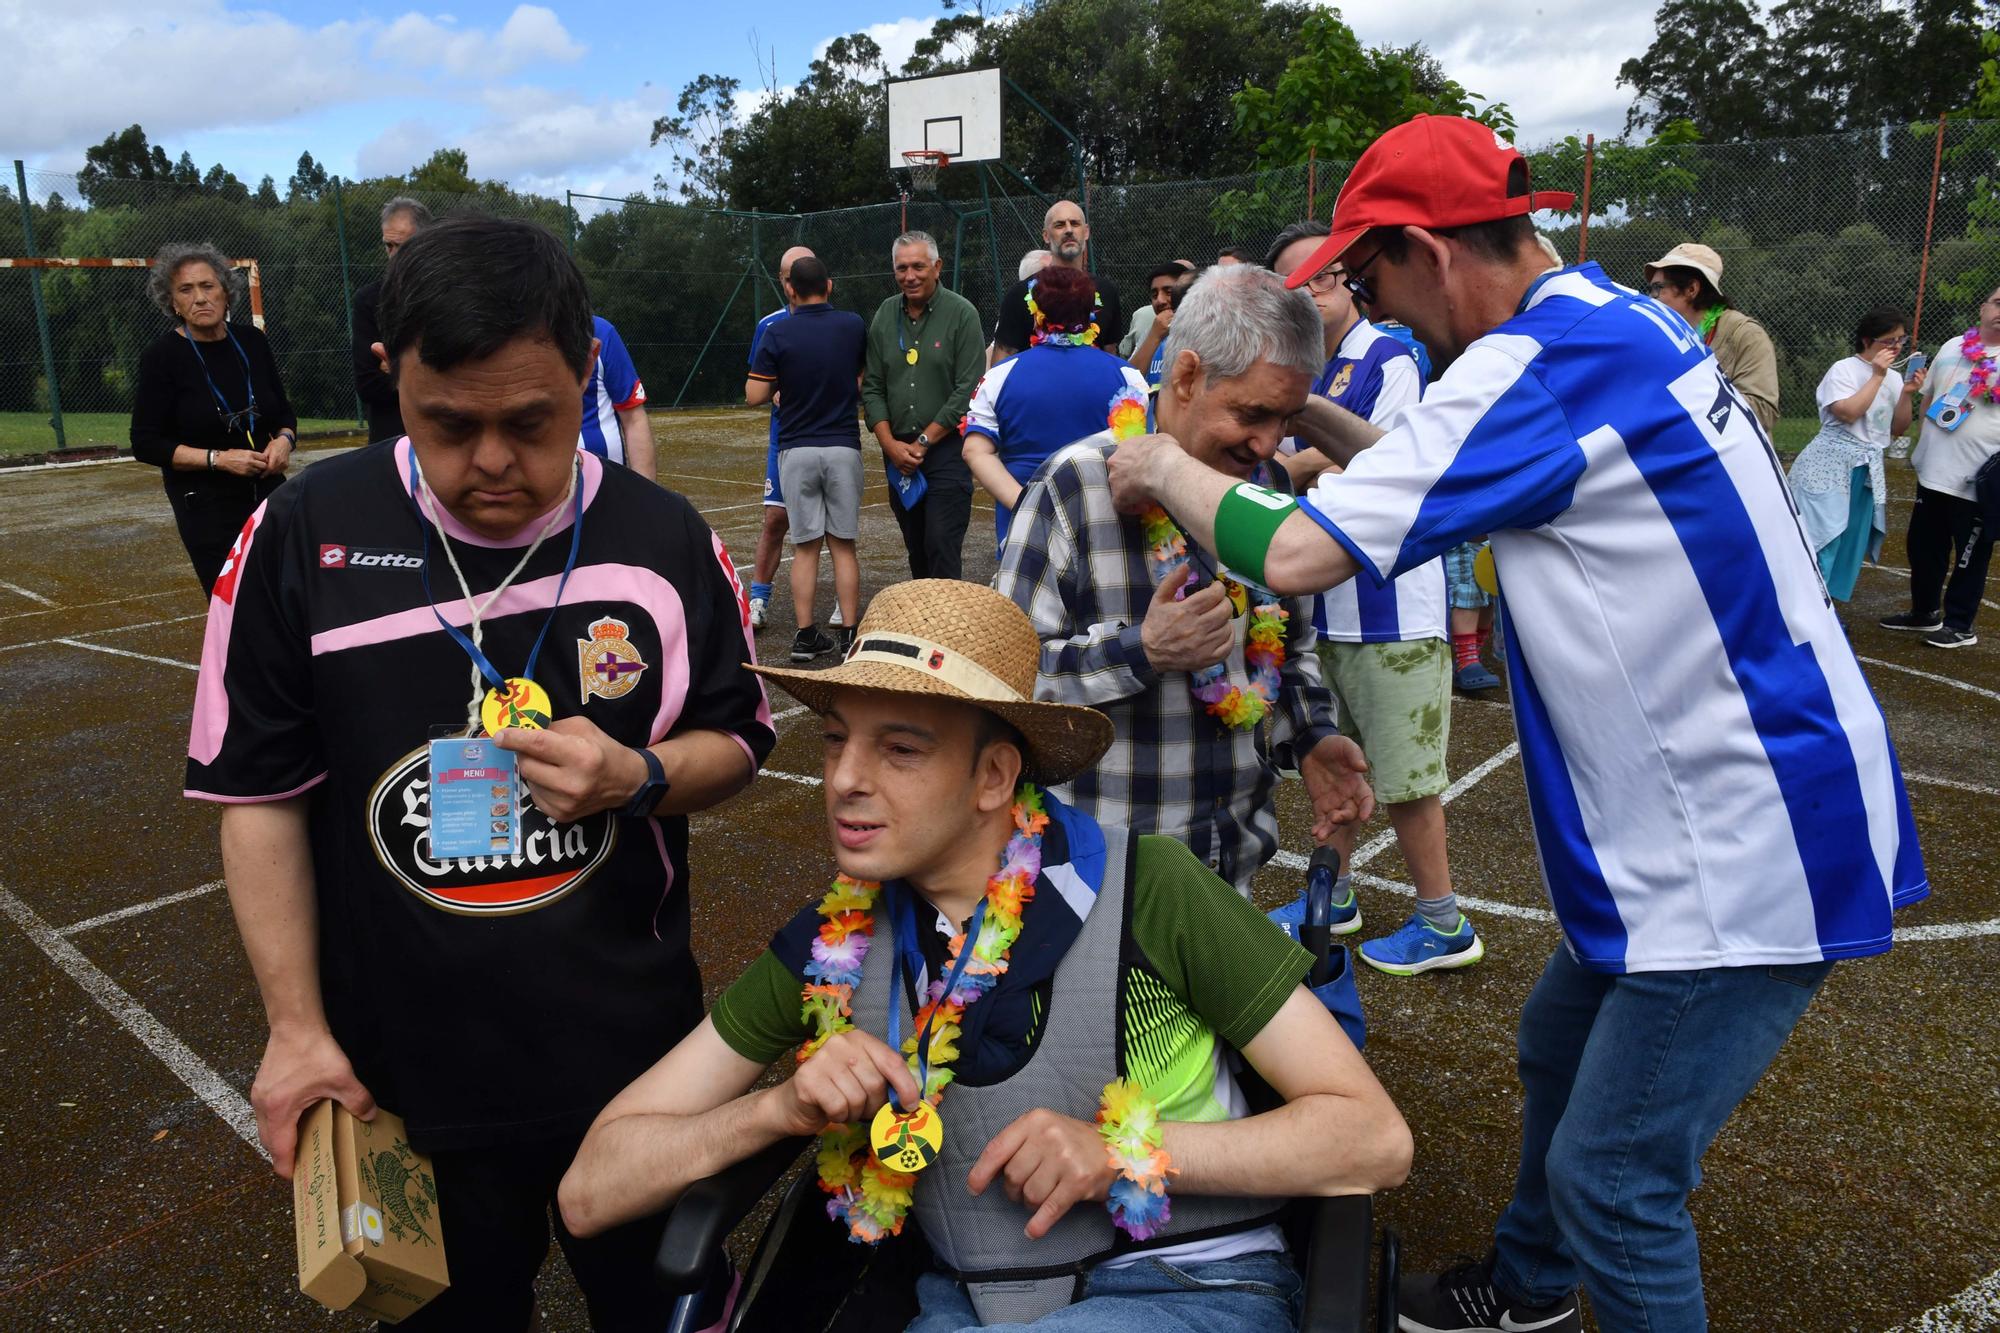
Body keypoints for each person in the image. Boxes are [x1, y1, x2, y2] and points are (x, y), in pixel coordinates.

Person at [1106, 115, 1926, 1333]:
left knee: (1617, 1184)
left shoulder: (1529, 364)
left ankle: (1561, 1264)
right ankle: (1530, 1288)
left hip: (1739, 843)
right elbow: (1460, 471)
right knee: (1552, 1039)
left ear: (1427, 252)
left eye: (1368, 275)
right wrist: (1315, 422)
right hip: (1731, 804)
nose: (1368, 302)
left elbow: (1290, 550)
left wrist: (1161, 471)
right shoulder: (1612, 323)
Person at [190, 215, 775, 1331]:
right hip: (403, 1083)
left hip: (632, 1066)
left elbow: (737, 743)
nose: (493, 461)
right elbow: (258, 797)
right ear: (389, 377)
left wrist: (637, 775)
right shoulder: (298, 534)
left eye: (530, 422)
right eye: (447, 424)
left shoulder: (662, 541)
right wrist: (295, 1029)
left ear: (587, 373)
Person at [557, 580, 1412, 1330]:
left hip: (1188, 1282)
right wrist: (778, 1112)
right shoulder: (833, 942)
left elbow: (1373, 1137)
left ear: (996, 775)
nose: (846, 778)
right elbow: (589, 1193)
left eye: (900, 748)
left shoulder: (1153, 889)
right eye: (834, 739)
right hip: (966, 1304)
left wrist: (1124, 1152)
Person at [994, 263, 1375, 897]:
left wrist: (1312, 737)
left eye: (1286, 419)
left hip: (1234, 862)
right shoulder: (1076, 484)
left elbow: (1292, 650)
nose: (1268, 443)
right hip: (1100, 873)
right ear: (1188, 374)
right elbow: (1004, 680)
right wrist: (1141, 650)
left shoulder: (1268, 488)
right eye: (1253, 412)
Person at [1264, 220, 1480, 977]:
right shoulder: (1299, 367)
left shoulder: (1389, 357)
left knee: (1407, 780)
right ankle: (1340, 892)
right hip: (1324, 611)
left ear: (1346, 282)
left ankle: (1443, 920)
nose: (1312, 291)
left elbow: (1385, 464)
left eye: (1322, 276)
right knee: (1340, 767)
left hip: (1392, 609)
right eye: (1295, 284)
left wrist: (1297, 461)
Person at [130, 241, 297, 595]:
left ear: (226, 292)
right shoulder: (162, 357)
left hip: (268, 490)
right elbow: (145, 443)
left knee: (290, 590)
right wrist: (219, 459)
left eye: (208, 286)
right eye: (186, 290)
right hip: (206, 504)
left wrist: (285, 441)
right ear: (173, 302)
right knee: (237, 602)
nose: (200, 298)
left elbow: (283, 413)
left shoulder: (252, 341)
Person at [962, 266, 1150, 550]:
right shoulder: (1128, 377)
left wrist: (1026, 503)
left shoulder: (999, 375)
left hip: (1023, 530)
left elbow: (974, 450)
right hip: (1103, 526)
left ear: (1035, 310)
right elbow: (1137, 454)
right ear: (1092, 312)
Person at [746, 255, 866, 662]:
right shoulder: (852, 325)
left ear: (790, 290)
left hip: (796, 448)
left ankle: (804, 636)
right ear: (829, 286)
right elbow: (862, 377)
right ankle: (851, 633)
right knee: (844, 546)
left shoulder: (777, 332)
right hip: (842, 445)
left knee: (806, 547)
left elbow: (754, 395)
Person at [862, 231, 987, 581]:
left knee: (941, 543)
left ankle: (947, 632)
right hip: (897, 453)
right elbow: (872, 387)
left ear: (937, 267)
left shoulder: (962, 314)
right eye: (902, 268)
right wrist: (889, 445)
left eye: (918, 266)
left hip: (945, 449)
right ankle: (924, 626)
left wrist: (924, 442)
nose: (910, 276)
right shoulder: (885, 315)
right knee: (916, 546)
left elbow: (969, 390)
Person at [1884, 284, 2000, 648]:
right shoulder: (1952, 347)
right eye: (1998, 302)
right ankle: (1925, 614)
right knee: (1923, 547)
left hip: (1977, 479)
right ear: (1982, 307)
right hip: (1934, 470)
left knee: (1970, 555)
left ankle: (1961, 625)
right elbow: (1928, 397)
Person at [1788, 309, 1923, 604]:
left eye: (1901, 340)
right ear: (1866, 340)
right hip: (1829, 464)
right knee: (1824, 536)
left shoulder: (1895, 377)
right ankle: (1802, 608)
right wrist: (1877, 375)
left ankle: (1826, 612)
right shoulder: (1844, 369)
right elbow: (1847, 412)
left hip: (1866, 469)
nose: (1896, 347)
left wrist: (1908, 393)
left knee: (1850, 541)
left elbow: (1898, 428)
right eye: (1889, 341)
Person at [747, 245, 817, 631]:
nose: (794, 282)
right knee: (776, 518)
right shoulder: (768, 326)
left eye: (801, 273)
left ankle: (842, 604)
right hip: (785, 435)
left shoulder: (836, 324)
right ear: (782, 280)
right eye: (789, 275)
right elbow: (756, 384)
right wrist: (774, 387)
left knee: (828, 524)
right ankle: (758, 599)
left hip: (825, 436)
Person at [1643, 242, 1780, 436]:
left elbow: (1762, 411)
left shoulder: (1746, 335)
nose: (1652, 298)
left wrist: (1689, 401)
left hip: (1727, 460)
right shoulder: (1663, 334)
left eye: (1658, 288)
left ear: (1691, 289)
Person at [989, 200, 1124, 364]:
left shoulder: (1106, 291)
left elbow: (1112, 355)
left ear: (1086, 232)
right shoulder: (1020, 294)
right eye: (1059, 225)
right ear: (1046, 235)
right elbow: (1001, 363)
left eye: (1074, 224)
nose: (1068, 230)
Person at [351, 196, 431, 444]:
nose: (394, 256)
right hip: (391, 441)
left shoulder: (449, 296)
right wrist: (426, 368)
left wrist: (396, 367)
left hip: (443, 436)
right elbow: (368, 385)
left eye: (402, 246)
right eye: (389, 246)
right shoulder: (369, 301)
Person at [578, 314, 656, 478]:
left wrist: (646, 495)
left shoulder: (600, 331)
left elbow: (634, 418)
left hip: (606, 485)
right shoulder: (515, 336)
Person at [1127, 260, 1196, 387]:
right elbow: (1128, 382)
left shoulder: (1205, 333)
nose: (1160, 301)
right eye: (1154, 295)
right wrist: (1154, 336)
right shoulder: (1152, 332)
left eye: (1169, 292)